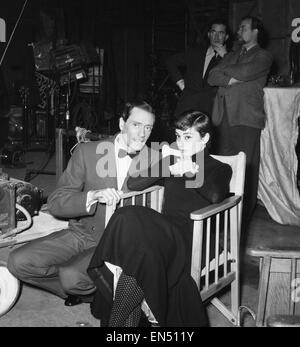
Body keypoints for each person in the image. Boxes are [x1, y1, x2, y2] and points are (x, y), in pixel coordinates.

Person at [87, 111, 232, 327]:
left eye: (188, 137)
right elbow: (134, 184)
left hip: (191, 236)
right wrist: (169, 166)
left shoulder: (218, 167)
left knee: (136, 258)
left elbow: (216, 195)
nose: (181, 143)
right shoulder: (172, 161)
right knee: (127, 219)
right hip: (162, 233)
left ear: (205, 138)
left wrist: (191, 172)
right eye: (178, 136)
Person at [7, 99, 156, 306]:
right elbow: (57, 201)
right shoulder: (87, 152)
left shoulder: (156, 161)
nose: (142, 134)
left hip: (119, 243)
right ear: (122, 124)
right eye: (136, 125)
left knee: (71, 275)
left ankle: (84, 285)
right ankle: (86, 290)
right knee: (18, 262)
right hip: (82, 233)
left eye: (148, 127)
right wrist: (91, 196)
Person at [207, 16, 273, 225]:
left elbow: (245, 72)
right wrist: (232, 78)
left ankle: (243, 218)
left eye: (244, 27)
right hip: (222, 117)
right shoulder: (233, 54)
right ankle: (223, 216)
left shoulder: (263, 56)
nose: (239, 31)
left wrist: (227, 73)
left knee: (245, 170)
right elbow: (211, 76)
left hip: (246, 118)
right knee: (224, 169)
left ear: (255, 31)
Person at [166, 18, 230, 120]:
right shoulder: (195, 52)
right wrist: (181, 83)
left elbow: (235, 77)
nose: (216, 36)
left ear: (226, 37)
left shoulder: (231, 58)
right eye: (213, 32)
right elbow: (171, 61)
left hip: (211, 111)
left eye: (221, 33)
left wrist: (226, 56)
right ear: (209, 34)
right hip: (187, 107)